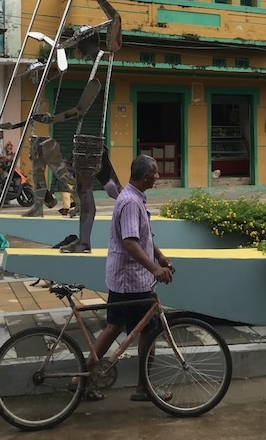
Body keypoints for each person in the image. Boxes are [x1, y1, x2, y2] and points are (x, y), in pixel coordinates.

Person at [81, 155, 173, 402]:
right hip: (132, 281)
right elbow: (131, 242)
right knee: (149, 331)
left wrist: (160, 256)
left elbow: (144, 236)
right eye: (155, 173)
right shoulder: (131, 202)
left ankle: (79, 380)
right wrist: (154, 268)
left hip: (121, 278)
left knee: (114, 326)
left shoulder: (132, 197)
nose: (158, 176)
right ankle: (144, 389)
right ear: (145, 176)